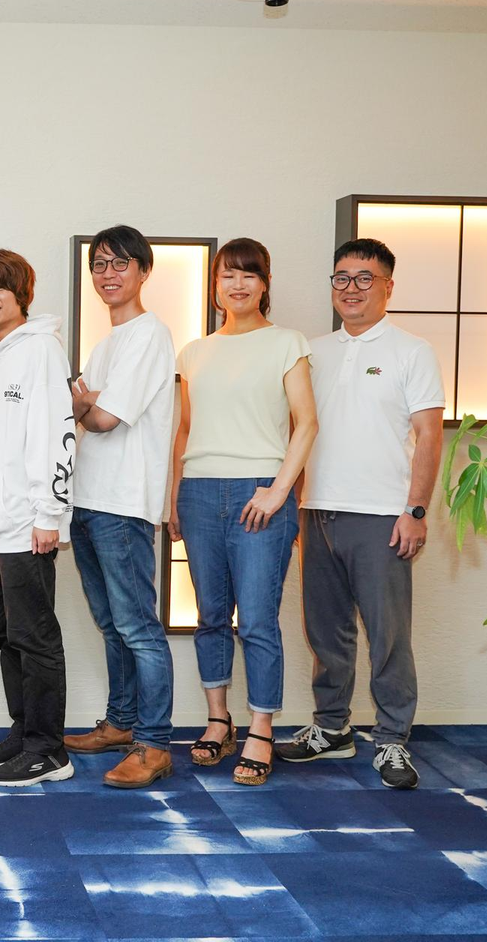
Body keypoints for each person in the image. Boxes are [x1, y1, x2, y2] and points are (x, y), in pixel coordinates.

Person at [274, 238, 444, 790]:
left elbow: (429, 435)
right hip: (317, 510)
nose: (351, 288)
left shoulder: (411, 351)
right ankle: (332, 728)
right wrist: (294, 500)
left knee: (388, 636)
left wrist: (415, 510)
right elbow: (298, 430)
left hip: (382, 516)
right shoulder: (313, 351)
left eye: (364, 278)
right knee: (325, 632)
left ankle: (392, 738)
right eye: (342, 278)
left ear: (388, 286)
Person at [169, 237, 317, 786]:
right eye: (228, 275)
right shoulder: (194, 352)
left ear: (264, 284)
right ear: (215, 286)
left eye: (249, 275)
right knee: (210, 616)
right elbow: (184, 429)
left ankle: (260, 729)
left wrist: (278, 492)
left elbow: (307, 423)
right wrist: (174, 496)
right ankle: (218, 720)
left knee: (256, 620)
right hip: (199, 493)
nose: (238, 284)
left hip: (261, 493)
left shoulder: (287, 343)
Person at [0, 248, 77, 788]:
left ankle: (49, 750)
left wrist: (50, 514)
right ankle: (23, 731)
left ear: (21, 293)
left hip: (28, 524)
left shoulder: (42, 350)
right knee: (7, 636)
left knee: (36, 637)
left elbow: (57, 436)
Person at [63, 226, 177, 788]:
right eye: (100, 265)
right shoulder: (106, 342)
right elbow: (84, 409)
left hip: (123, 502)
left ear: (144, 271)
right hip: (87, 498)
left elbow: (104, 418)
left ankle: (154, 744)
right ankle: (121, 723)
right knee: (111, 624)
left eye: (120, 263)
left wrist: (87, 403)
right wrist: (88, 404)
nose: (108, 274)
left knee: (138, 627)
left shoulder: (150, 335)